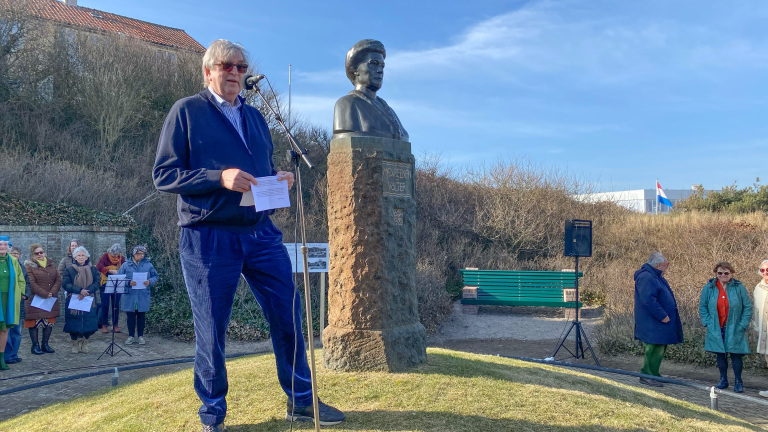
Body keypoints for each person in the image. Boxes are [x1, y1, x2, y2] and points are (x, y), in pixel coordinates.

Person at [153, 39, 345, 431]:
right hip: (208, 236)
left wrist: (279, 180)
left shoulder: (258, 118)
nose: (236, 73)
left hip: (260, 233)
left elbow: (262, 167)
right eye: (227, 66)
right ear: (208, 71)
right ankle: (213, 415)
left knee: (288, 314)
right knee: (212, 328)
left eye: (241, 67)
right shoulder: (186, 111)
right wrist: (217, 178)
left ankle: (302, 400)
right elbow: (164, 175)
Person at [332, 39, 408, 141]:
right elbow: (344, 137)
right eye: (373, 64)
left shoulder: (387, 108)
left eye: (382, 66)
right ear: (355, 70)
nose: (380, 70)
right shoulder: (346, 104)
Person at [699, 262, 752, 393]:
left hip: (734, 326)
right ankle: (723, 379)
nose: (723, 275)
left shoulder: (739, 287)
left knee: (736, 354)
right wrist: (707, 322)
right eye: (720, 273)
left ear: (731, 274)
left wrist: (743, 324)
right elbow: (703, 306)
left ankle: (738, 382)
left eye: (726, 273)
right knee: (720, 354)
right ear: (716, 274)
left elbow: (748, 307)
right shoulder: (709, 288)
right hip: (716, 326)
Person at [634, 251, 684, 387]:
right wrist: (662, 315)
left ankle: (654, 373)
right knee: (653, 347)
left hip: (658, 321)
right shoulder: (646, 277)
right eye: (666, 264)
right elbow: (648, 300)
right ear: (658, 265)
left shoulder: (656, 276)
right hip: (652, 321)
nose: (667, 267)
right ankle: (646, 375)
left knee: (660, 347)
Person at [24, 243, 61, 355]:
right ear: (33, 255)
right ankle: (35, 346)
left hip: (50, 298)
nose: (40, 254)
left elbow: (58, 280)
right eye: (37, 253)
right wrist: (44, 293)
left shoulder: (51, 265)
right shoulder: (29, 266)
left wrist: (52, 292)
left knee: (49, 322)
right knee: (34, 323)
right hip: (36, 299)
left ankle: (45, 344)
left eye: (41, 252)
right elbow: (32, 283)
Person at [62, 246, 100, 353]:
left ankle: (85, 341)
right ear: (75, 257)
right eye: (79, 255)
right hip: (74, 298)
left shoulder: (93, 269)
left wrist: (86, 291)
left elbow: (97, 282)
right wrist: (79, 290)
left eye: (83, 255)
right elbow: (65, 284)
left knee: (89, 321)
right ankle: (74, 342)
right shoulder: (69, 269)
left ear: (87, 257)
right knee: (73, 321)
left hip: (89, 299)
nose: (81, 257)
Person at [118, 245, 159, 345]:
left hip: (142, 294)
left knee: (141, 316)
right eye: (138, 254)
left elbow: (155, 276)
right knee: (130, 316)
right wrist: (128, 282)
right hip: (130, 295)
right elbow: (119, 278)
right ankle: (131, 336)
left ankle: (141, 336)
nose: (141, 256)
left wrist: (149, 281)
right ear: (134, 254)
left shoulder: (148, 264)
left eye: (142, 254)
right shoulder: (126, 265)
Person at [0, 238, 25, 370]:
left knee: (4, 330)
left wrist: (19, 294)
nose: (3, 246)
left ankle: (2, 358)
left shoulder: (13, 261)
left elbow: (21, 279)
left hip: (8, 300)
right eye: (0, 244)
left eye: (5, 244)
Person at [5, 246, 29, 365]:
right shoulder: (6, 266)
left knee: (17, 331)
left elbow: (27, 283)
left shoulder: (23, 268)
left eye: (17, 253)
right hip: (8, 302)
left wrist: (24, 294)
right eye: (12, 253)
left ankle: (14, 354)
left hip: (19, 304)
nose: (15, 255)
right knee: (7, 331)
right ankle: (7, 355)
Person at [96, 243, 125, 334]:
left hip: (117, 283)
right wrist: (110, 270)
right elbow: (98, 266)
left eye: (117, 254)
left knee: (116, 305)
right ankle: (104, 325)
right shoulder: (105, 256)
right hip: (105, 283)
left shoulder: (122, 258)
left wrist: (119, 271)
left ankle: (115, 324)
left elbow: (125, 268)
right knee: (105, 305)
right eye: (114, 254)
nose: (116, 256)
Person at [753, 260, 768, 397]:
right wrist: (756, 327)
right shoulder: (758, 288)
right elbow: (756, 310)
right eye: (762, 270)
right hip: (764, 330)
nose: (765, 272)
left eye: (767, 269)